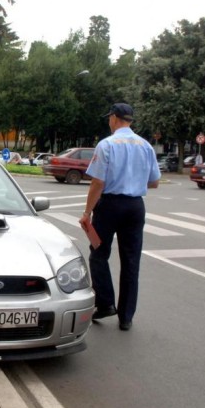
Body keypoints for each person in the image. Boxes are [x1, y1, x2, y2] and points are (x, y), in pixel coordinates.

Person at [79, 103, 160, 331]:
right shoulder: (146, 146)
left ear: (114, 118)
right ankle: (126, 317)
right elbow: (154, 181)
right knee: (131, 261)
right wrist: (133, 180)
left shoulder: (107, 144)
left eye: (109, 118)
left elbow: (98, 182)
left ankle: (105, 304)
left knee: (98, 254)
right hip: (135, 207)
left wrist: (87, 212)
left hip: (109, 206)